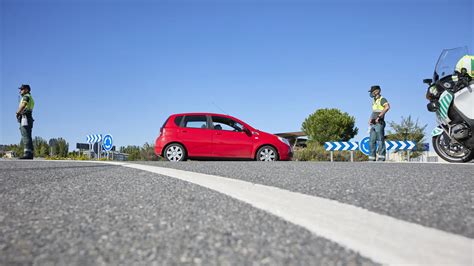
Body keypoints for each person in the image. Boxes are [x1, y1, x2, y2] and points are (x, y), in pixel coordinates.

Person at [368, 85, 390, 161]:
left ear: (377, 91)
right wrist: (370, 119)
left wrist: (379, 116)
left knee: (380, 140)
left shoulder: (382, 99)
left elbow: (387, 107)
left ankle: (381, 157)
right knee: (371, 141)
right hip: (373, 123)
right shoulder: (374, 100)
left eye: (372, 92)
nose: (371, 93)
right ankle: (372, 158)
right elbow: (374, 111)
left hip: (379, 123)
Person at [16, 84, 35, 159]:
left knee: (25, 134)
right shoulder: (30, 97)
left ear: (26, 90)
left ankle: (27, 153)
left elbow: (23, 105)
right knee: (28, 135)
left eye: (22, 89)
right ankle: (30, 153)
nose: (20, 91)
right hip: (28, 117)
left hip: (25, 117)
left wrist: (17, 113)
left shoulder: (26, 96)